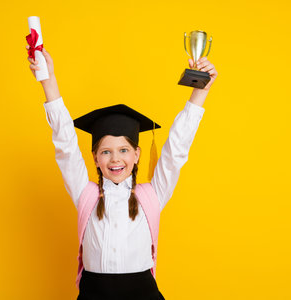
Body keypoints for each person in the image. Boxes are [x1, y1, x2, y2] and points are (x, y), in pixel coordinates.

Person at [26, 45, 217, 300]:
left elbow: (176, 151)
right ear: (94, 158)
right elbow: (66, 147)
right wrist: (49, 84)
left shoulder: (152, 195)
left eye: (124, 150)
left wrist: (199, 94)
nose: (115, 159)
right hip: (94, 293)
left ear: (137, 154)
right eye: (105, 152)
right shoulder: (86, 195)